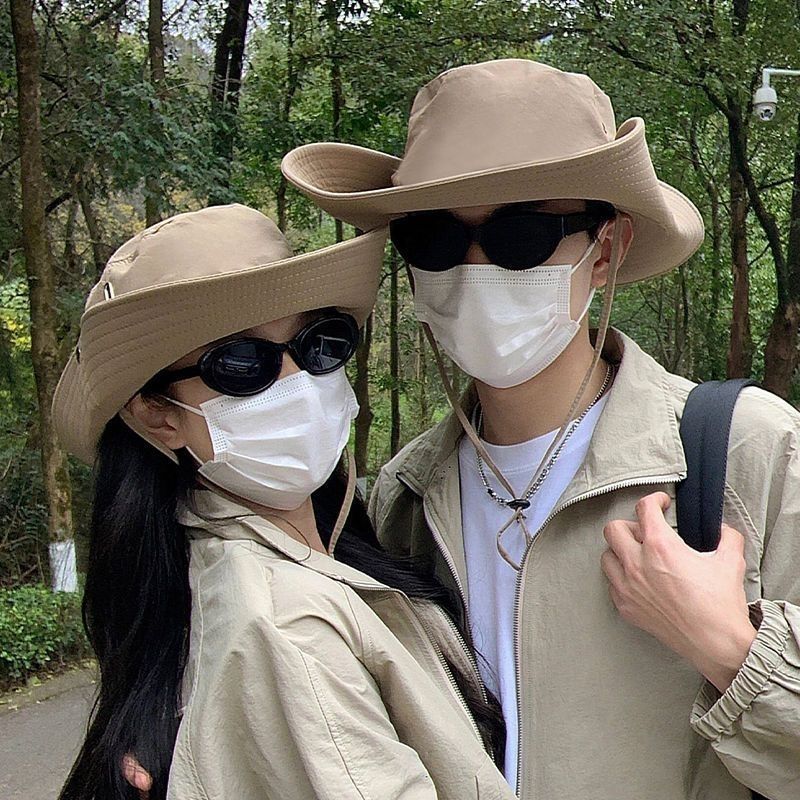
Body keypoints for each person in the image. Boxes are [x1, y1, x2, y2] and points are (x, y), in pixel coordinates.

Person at [281, 59, 800, 800]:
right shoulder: (403, 499)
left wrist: (729, 649)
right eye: (431, 237)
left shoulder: (751, 453)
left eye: (522, 233)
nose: (473, 266)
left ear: (606, 249)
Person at [54, 204, 515, 800]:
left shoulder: (302, 557)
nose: (298, 380)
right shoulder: (288, 623)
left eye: (319, 343)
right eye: (241, 362)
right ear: (158, 415)